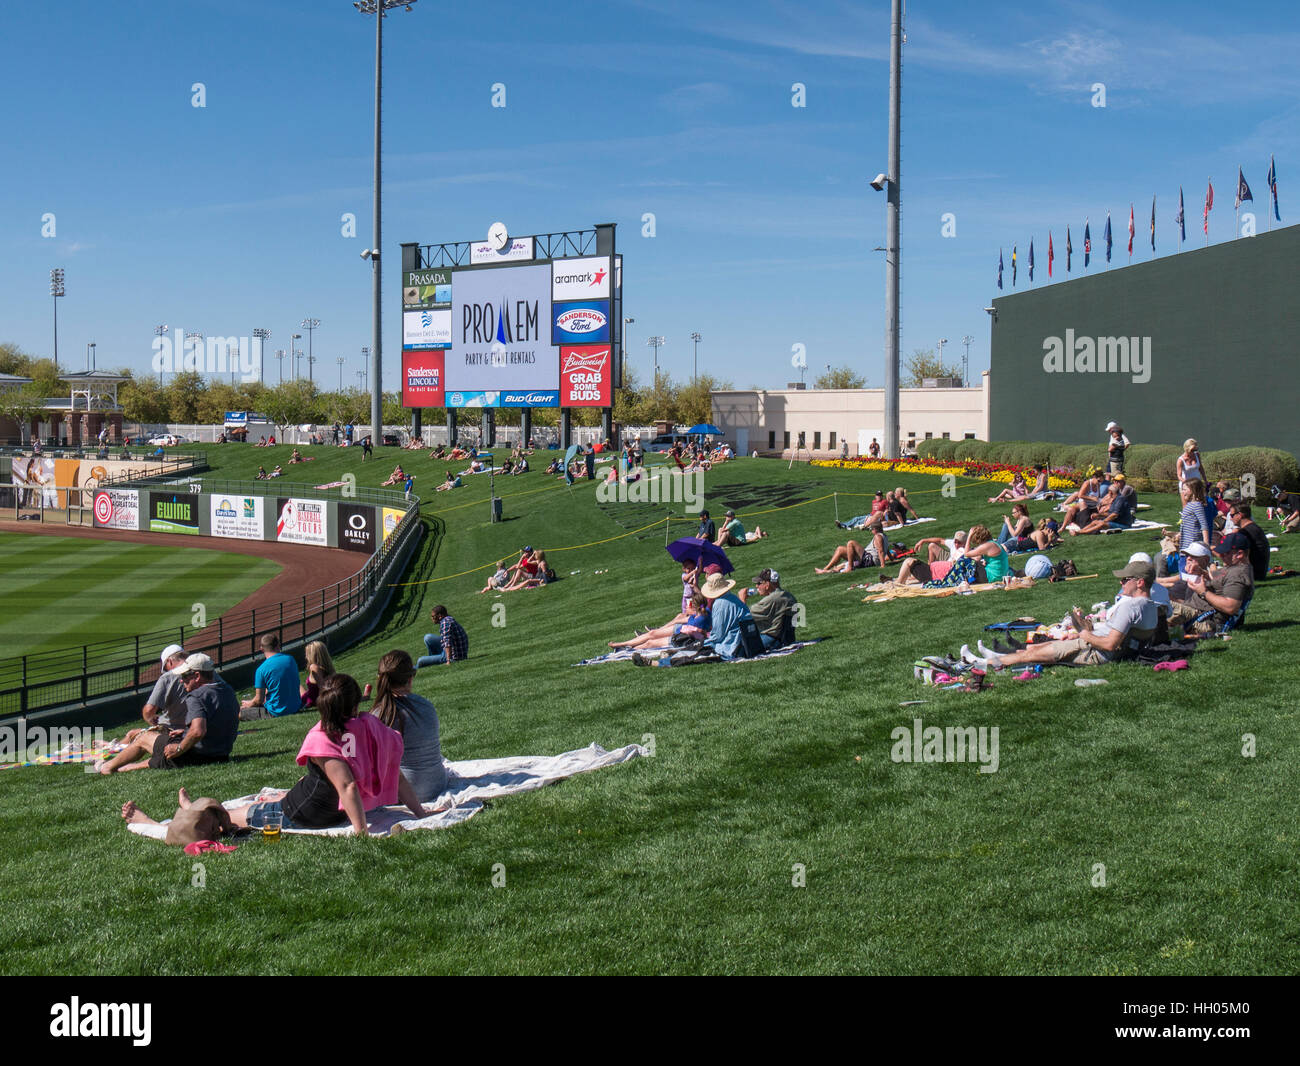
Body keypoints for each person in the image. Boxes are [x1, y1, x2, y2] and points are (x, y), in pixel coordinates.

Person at [124, 675, 426, 837]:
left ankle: (159, 823)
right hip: (313, 804)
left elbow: (346, 785)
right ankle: (195, 808)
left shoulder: (322, 736)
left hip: (305, 812)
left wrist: (360, 834)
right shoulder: (370, 725)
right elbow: (392, 772)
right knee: (264, 803)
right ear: (354, 705)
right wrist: (420, 813)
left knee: (230, 819)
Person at [964, 559, 1158, 670]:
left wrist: (1084, 633)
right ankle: (995, 656)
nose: (1121, 583)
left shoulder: (1131, 607)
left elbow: (1110, 644)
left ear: (1139, 582)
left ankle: (984, 663)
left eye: (1125, 579)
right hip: (1099, 648)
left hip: (1095, 652)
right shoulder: (1152, 607)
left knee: (1034, 655)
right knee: (1041, 647)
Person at [98, 653, 239, 773]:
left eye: (184, 676)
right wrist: (184, 732)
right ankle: (126, 767)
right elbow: (218, 722)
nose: (182, 680)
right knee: (158, 751)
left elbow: (198, 732)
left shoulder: (196, 696)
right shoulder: (227, 690)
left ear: (196, 676)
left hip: (196, 755)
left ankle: (107, 767)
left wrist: (178, 748)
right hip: (221, 754)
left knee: (143, 737)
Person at [369, 650, 446, 801]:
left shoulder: (378, 715)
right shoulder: (426, 705)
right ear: (410, 679)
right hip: (437, 784)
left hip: (402, 795)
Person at [1167, 532, 1254, 634]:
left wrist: (1203, 592)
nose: (1220, 556)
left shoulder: (1237, 575)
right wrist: (1202, 573)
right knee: (1155, 601)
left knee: (1157, 607)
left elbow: (1231, 607)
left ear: (1239, 554)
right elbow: (1218, 580)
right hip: (1194, 611)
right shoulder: (1232, 567)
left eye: (1225, 553)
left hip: (1202, 619)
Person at [121, 644, 190, 748]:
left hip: (174, 731)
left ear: (170, 661)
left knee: (133, 734)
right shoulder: (206, 672)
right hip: (201, 728)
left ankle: (110, 750)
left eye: (166, 667)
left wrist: (151, 720)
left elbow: (149, 711)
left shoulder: (168, 677)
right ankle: (111, 746)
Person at [611, 591, 712, 650]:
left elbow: (694, 631)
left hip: (681, 636)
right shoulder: (704, 612)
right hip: (680, 631)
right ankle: (623, 645)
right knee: (652, 634)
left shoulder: (697, 620)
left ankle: (625, 648)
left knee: (650, 641)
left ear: (695, 606)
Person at [240, 634, 303, 719]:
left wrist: (249, 704)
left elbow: (259, 700)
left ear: (261, 649)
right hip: (296, 707)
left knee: (239, 712)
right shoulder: (290, 659)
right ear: (278, 645)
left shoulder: (261, 669)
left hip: (276, 711)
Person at [738, 568, 798, 650]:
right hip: (786, 639)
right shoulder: (787, 595)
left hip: (773, 641)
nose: (756, 586)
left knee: (739, 648)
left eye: (759, 583)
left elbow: (745, 616)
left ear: (767, 584)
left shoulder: (772, 599)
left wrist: (742, 599)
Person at [894, 531, 967, 584]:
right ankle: (902, 580)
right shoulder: (954, 545)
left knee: (908, 561)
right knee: (932, 545)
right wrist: (923, 540)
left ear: (965, 542)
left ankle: (899, 583)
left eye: (959, 543)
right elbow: (940, 540)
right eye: (955, 542)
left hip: (936, 573)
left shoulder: (964, 553)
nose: (956, 544)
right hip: (937, 568)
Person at [816, 529, 890, 573]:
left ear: (875, 530)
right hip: (867, 558)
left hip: (869, 560)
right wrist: (892, 559)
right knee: (840, 549)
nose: (871, 531)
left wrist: (883, 565)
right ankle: (825, 570)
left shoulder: (878, 537)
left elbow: (881, 551)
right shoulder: (884, 536)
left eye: (872, 529)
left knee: (851, 543)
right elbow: (886, 549)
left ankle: (849, 568)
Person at [1230, 502, 1270, 580]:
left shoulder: (1245, 532)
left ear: (1240, 515)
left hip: (1252, 574)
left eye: (1232, 515)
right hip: (1259, 571)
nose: (1231, 518)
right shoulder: (1254, 528)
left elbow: (1236, 556)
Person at [300, 640, 335, 709]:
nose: (306, 657)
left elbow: (322, 688)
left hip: (311, 700)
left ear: (313, 655)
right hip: (311, 696)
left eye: (307, 654)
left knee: (294, 683)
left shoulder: (314, 667)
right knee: (296, 683)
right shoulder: (329, 668)